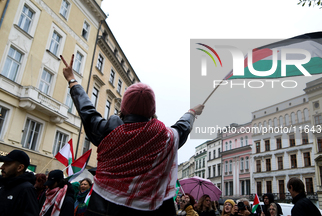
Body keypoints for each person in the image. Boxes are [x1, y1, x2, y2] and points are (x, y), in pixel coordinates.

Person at [61, 54, 204, 216]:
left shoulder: (108, 132)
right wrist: (192, 112)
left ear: (124, 108)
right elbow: (183, 126)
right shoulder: (166, 138)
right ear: (152, 111)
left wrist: (72, 80)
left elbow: (87, 111)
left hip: (104, 209)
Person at [0, 149, 39, 216]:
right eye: (3, 163)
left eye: (7, 164)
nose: (2, 167)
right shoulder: (5, 185)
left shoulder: (26, 189)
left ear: (20, 167)